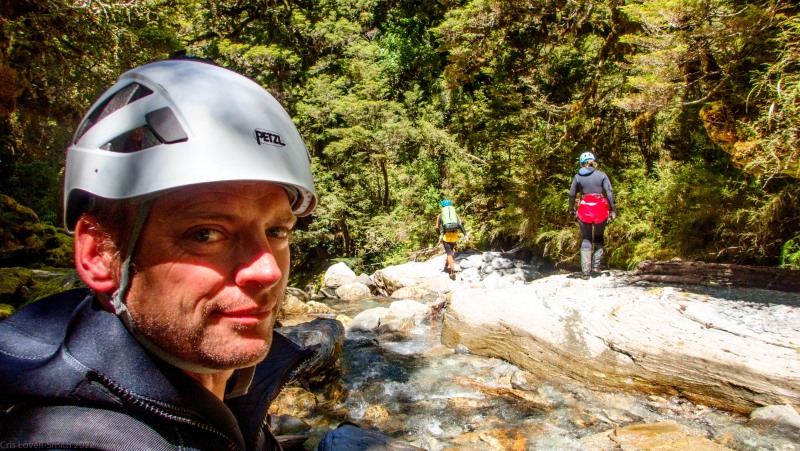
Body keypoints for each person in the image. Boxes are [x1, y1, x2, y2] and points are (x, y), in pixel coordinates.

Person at [0, 58, 319, 448]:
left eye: (277, 231)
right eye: (206, 234)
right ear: (100, 254)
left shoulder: (226, 388)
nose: (268, 270)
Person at [569, 151, 616, 279]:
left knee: (586, 238)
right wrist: (613, 210)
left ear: (581, 163)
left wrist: (571, 209)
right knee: (599, 236)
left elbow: (572, 195)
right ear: (593, 161)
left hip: (584, 209)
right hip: (600, 209)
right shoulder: (602, 175)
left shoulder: (577, 177)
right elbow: (609, 192)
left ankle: (585, 272)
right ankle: (596, 265)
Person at [435, 199, 468, 280]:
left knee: (449, 253)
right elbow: (460, 225)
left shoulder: (440, 215)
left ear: (442, 206)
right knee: (450, 252)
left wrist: (439, 236)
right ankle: (446, 266)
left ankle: (452, 271)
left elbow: (437, 228)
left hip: (446, 235)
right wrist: (465, 235)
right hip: (455, 235)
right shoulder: (455, 214)